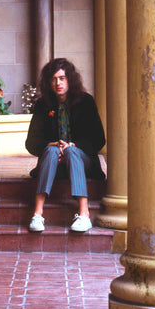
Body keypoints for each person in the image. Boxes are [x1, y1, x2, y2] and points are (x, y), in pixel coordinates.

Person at [25, 58, 105, 233]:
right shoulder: (42, 105)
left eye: (62, 78)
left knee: (72, 152)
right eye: (53, 79)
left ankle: (84, 214)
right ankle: (38, 214)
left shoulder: (86, 102)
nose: (58, 83)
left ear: (70, 79)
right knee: (52, 150)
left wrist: (73, 146)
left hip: (82, 161)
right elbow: (31, 143)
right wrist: (51, 144)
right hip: (53, 162)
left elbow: (99, 139)